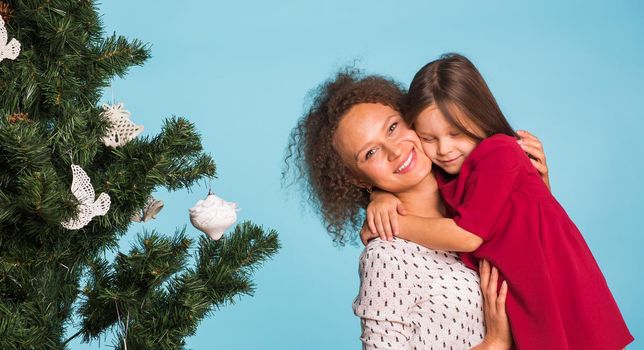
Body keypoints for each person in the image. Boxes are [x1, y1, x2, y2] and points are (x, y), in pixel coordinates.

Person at [364, 53, 633, 349]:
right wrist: (380, 197)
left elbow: (467, 236)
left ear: (480, 117)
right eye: (429, 138)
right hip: (521, 292)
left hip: (553, 285)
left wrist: (393, 225)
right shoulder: (449, 175)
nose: (444, 149)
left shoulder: (499, 152)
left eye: (456, 133)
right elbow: (420, 190)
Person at [284, 70, 547, 349]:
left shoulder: (474, 203)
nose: (394, 151)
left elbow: (537, 270)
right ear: (359, 179)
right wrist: (492, 345)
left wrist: (536, 191)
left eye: (393, 127)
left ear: (413, 119)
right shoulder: (386, 256)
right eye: (370, 153)